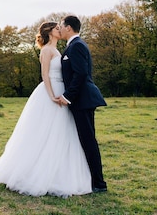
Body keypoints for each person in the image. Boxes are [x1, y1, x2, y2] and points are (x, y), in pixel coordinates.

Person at [0, 21, 92, 197]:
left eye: (60, 27)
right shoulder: (46, 50)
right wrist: (51, 95)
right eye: (57, 28)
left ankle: (58, 172)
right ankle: (33, 173)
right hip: (49, 93)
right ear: (49, 32)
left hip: (62, 92)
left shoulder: (59, 50)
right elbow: (45, 75)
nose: (60, 30)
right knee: (44, 132)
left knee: (62, 132)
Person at [55, 15, 108, 193]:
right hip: (82, 100)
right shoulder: (74, 46)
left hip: (83, 100)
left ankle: (99, 184)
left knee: (88, 141)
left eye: (61, 26)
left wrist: (67, 96)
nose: (60, 29)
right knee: (87, 140)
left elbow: (81, 74)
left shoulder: (77, 46)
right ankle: (92, 180)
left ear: (69, 27)